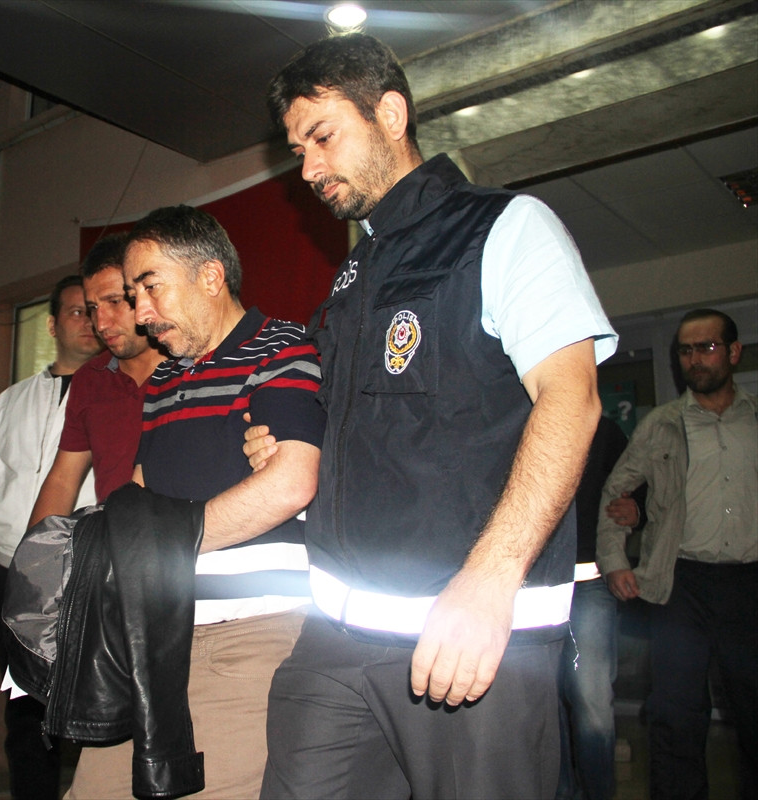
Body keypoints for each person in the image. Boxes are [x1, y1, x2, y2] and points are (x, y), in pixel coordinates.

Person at [251, 32, 617, 799]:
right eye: (298, 150)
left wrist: (491, 579)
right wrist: (293, 446)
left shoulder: (506, 227)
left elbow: (571, 399)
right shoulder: (353, 274)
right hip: (336, 641)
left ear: (390, 114)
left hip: (468, 634)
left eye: (322, 137)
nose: (308, 168)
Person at [64, 204, 326, 799]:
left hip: (248, 635)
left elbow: (290, 483)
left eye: (149, 287)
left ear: (210, 276)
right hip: (152, 636)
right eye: (134, 295)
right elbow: (138, 496)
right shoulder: (163, 380)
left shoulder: (281, 348)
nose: (141, 312)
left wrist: (162, 539)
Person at [0, 275, 101, 800]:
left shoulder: (120, 391)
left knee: (98, 703)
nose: (89, 321)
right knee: (26, 709)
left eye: (95, 311)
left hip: (88, 570)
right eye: (76, 311)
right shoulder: (12, 400)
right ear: (51, 325)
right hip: (15, 575)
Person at [597, 308, 756, 800]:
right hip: (681, 584)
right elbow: (616, 494)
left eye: (706, 347)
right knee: (675, 715)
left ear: (733, 352)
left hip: (749, 586)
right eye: (686, 350)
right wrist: (616, 561)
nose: (695, 359)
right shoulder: (661, 425)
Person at [27, 232, 165, 525]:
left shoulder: (193, 366)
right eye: (93, 308)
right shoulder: (89, 380)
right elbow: (63, 480)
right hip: (113, 547)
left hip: (195, 545)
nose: (100, 324)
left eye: (114, 301)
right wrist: (33, 549)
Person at [559, 415, 630, 800]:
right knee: (542, 703)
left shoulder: (602, 429)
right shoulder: (514, 417)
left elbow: (636, 490)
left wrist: (637, 510)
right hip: (530, 585)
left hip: (589, 579)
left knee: (592, 700)